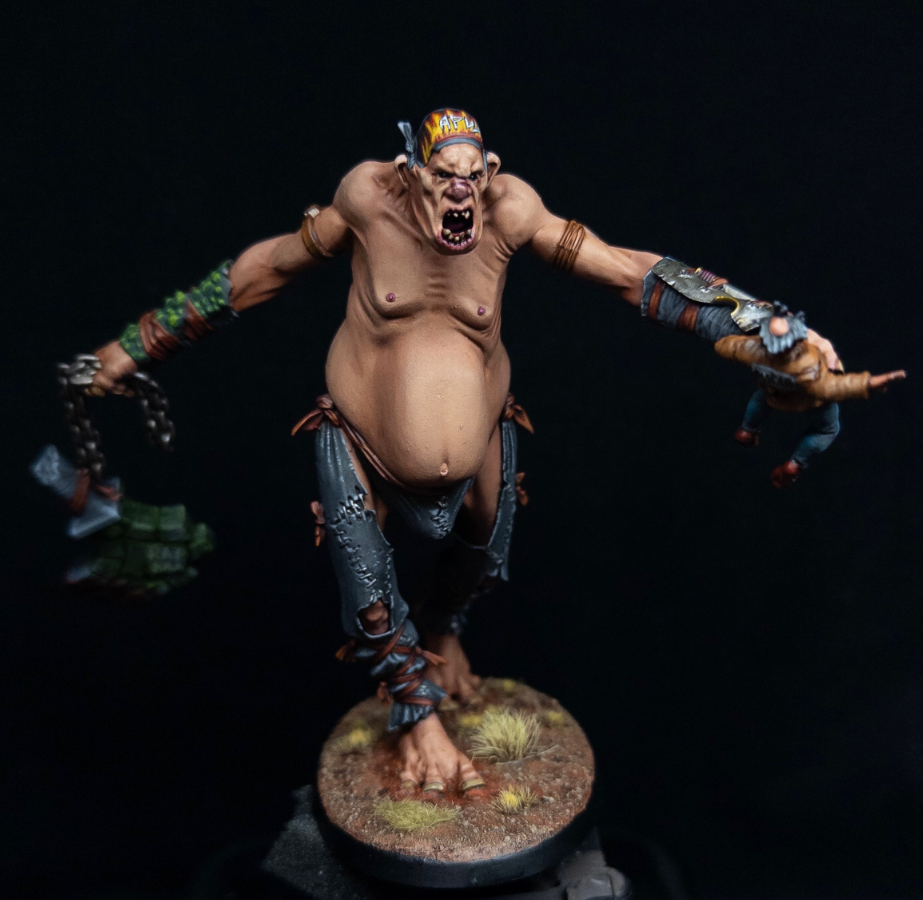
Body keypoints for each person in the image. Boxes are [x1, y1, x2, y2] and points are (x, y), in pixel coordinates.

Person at [87, 108, 842, 794]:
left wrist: (762, 325)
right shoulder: (367, 200)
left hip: (483, 436)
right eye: (445, 177)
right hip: (361, 442)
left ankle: (443, 637)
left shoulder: (510, 210)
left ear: (490, 172)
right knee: (368, 584)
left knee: (481, 552)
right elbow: (270, 269)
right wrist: (140, 343)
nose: (461, 194)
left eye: (473, 178)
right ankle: (416, 721)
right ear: (411, 172)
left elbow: (626, 272)